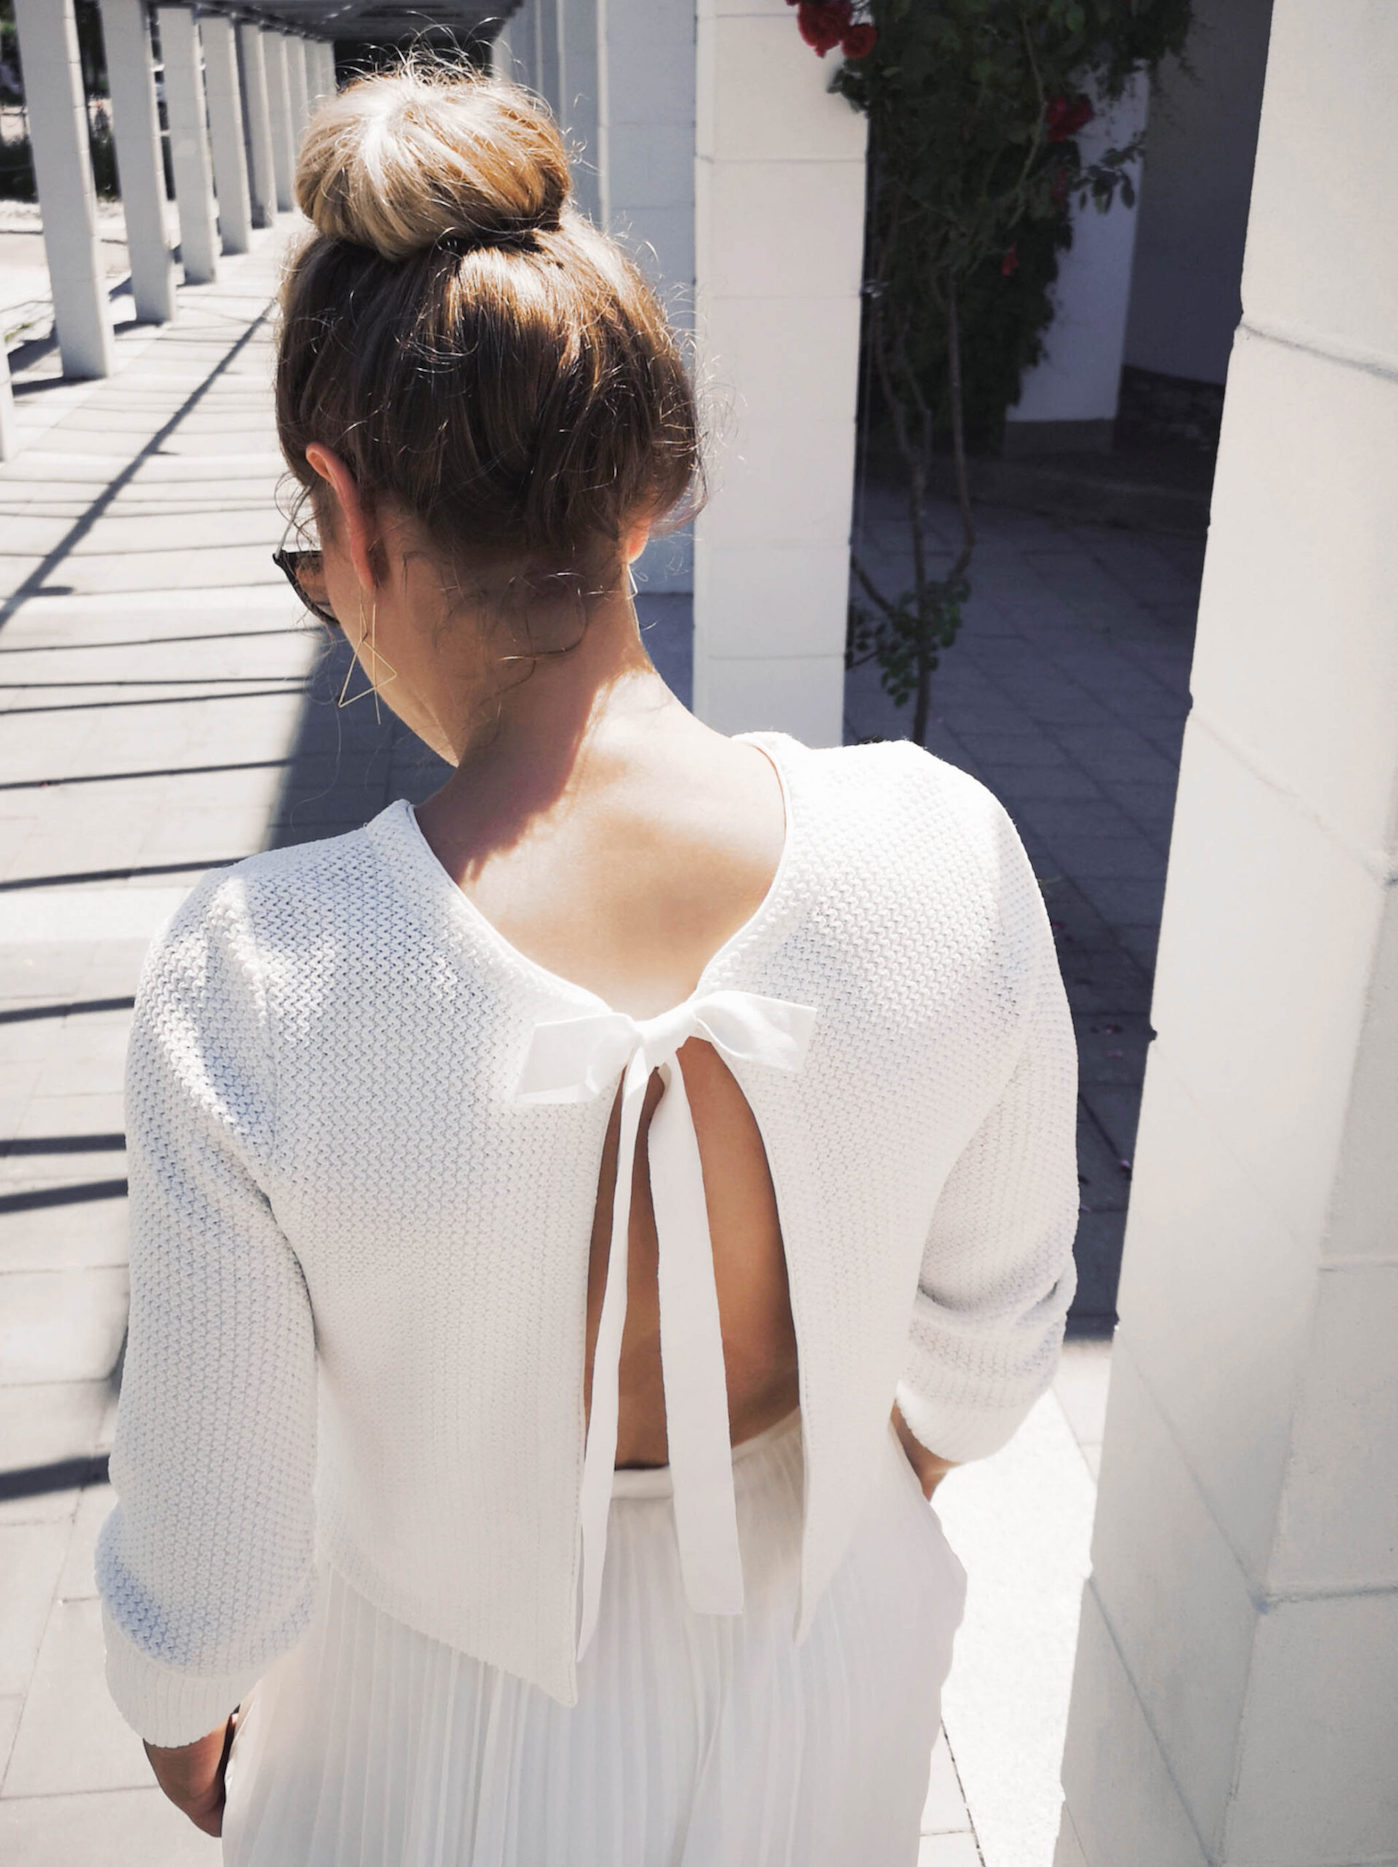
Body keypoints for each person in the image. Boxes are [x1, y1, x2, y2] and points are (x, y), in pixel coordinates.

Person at [94, 62, 1080, 1867]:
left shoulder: (258, 979)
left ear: (347, 508)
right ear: (645, 487)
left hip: (423, 1741)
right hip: (830, 1682)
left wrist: (191, 1721)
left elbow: (205, 1577)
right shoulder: (942, 851)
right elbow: (988, 1365)